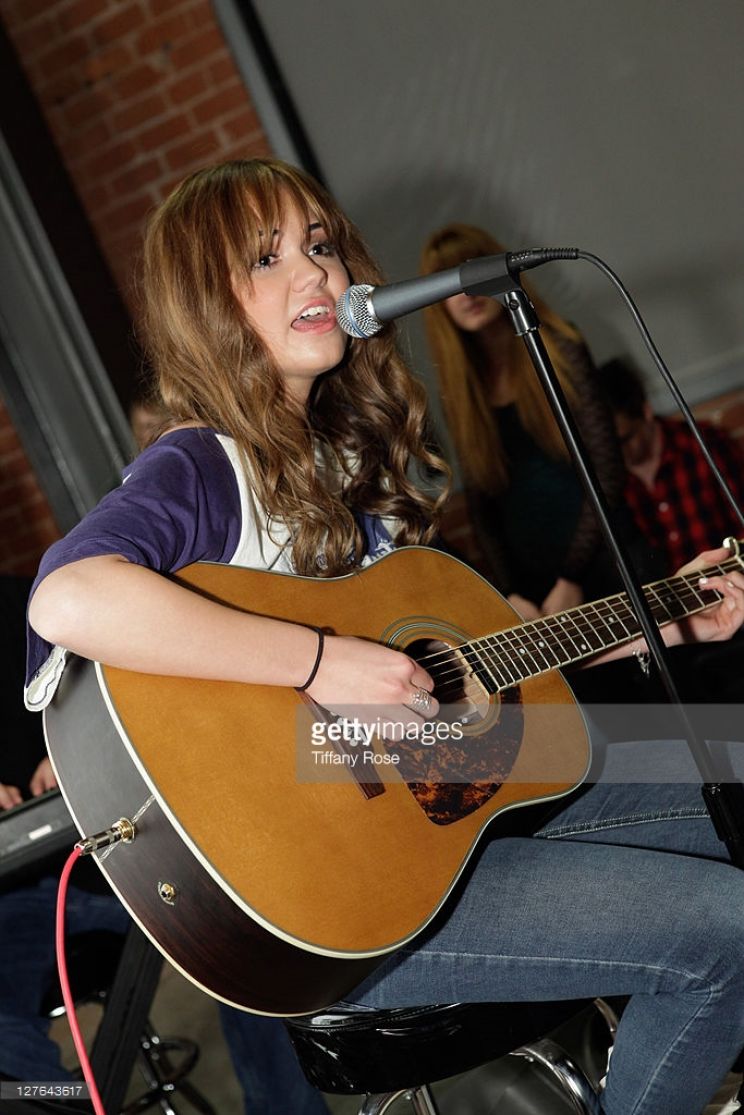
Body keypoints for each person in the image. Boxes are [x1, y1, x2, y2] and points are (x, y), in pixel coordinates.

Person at [22, 158, 744, 1115]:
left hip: (449, 822)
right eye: (268, 259)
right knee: (724, 931)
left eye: (321, 246)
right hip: (347, 903)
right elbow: (68, 600)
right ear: (208, 305)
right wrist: (323, 661)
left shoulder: (354, 459)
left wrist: (667, 615)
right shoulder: (201, 465)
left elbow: (477, 663)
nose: (315, 274)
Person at [420, 222, 637, 620]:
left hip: (607, 564)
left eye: (474, 274)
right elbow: (483, 504)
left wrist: (572, 577)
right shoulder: (462, 390)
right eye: (450, 283)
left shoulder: (561, 348)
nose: (468, 293)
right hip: (531, 592)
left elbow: (605, 471)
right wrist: (509, 592)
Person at [597, 356, 744, 578]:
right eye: (609, 445)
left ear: (646, 413)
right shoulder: (608, 481)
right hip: (670, 606)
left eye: (625, 439)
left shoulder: (704, 443)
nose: (617, 452)